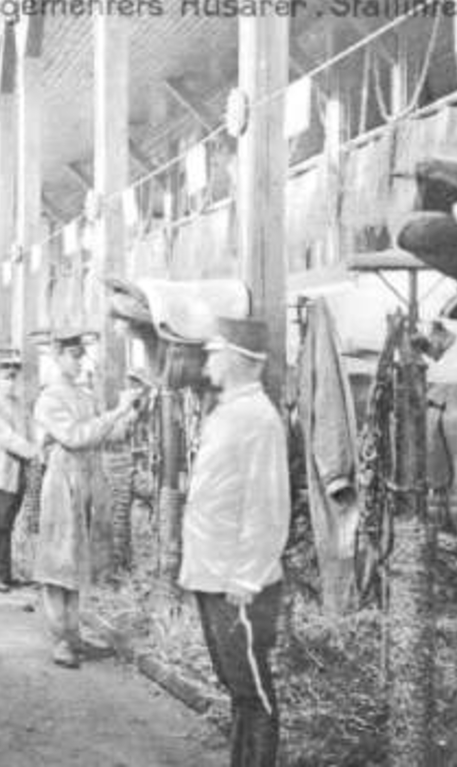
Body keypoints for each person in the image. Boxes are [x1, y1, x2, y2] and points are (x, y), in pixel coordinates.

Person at [181, 318, 290, 767]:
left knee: (253, 690)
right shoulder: (229, 411)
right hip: (212, 573)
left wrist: (247, 578)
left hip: (239, 582)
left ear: (237, 359)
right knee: (235, 685)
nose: (207, 362)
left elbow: (268, 506)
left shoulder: (259, 418)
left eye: (214, 354)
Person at [33, 331, 137, 668]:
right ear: (57, 356)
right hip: (62, 481)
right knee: (58, 560)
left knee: (78, 559)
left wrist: (130, 415)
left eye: (82, 355)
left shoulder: (83, 395)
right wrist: (116, 412)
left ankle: (74, 634)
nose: (80, 362)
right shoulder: (49, 399)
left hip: (86, 478)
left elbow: (103, 434)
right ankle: (60, 638)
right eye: (74, 355)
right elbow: (76, 437)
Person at [0, 360, 39, 592]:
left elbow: (31, 432)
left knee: (8, 525)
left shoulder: (19, 405)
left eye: (15, 377)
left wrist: (38, 447)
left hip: (17, 473)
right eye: (7, 377)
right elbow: (6, 437)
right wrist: (33, 452)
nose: (11, 382)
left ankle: (3, 573)